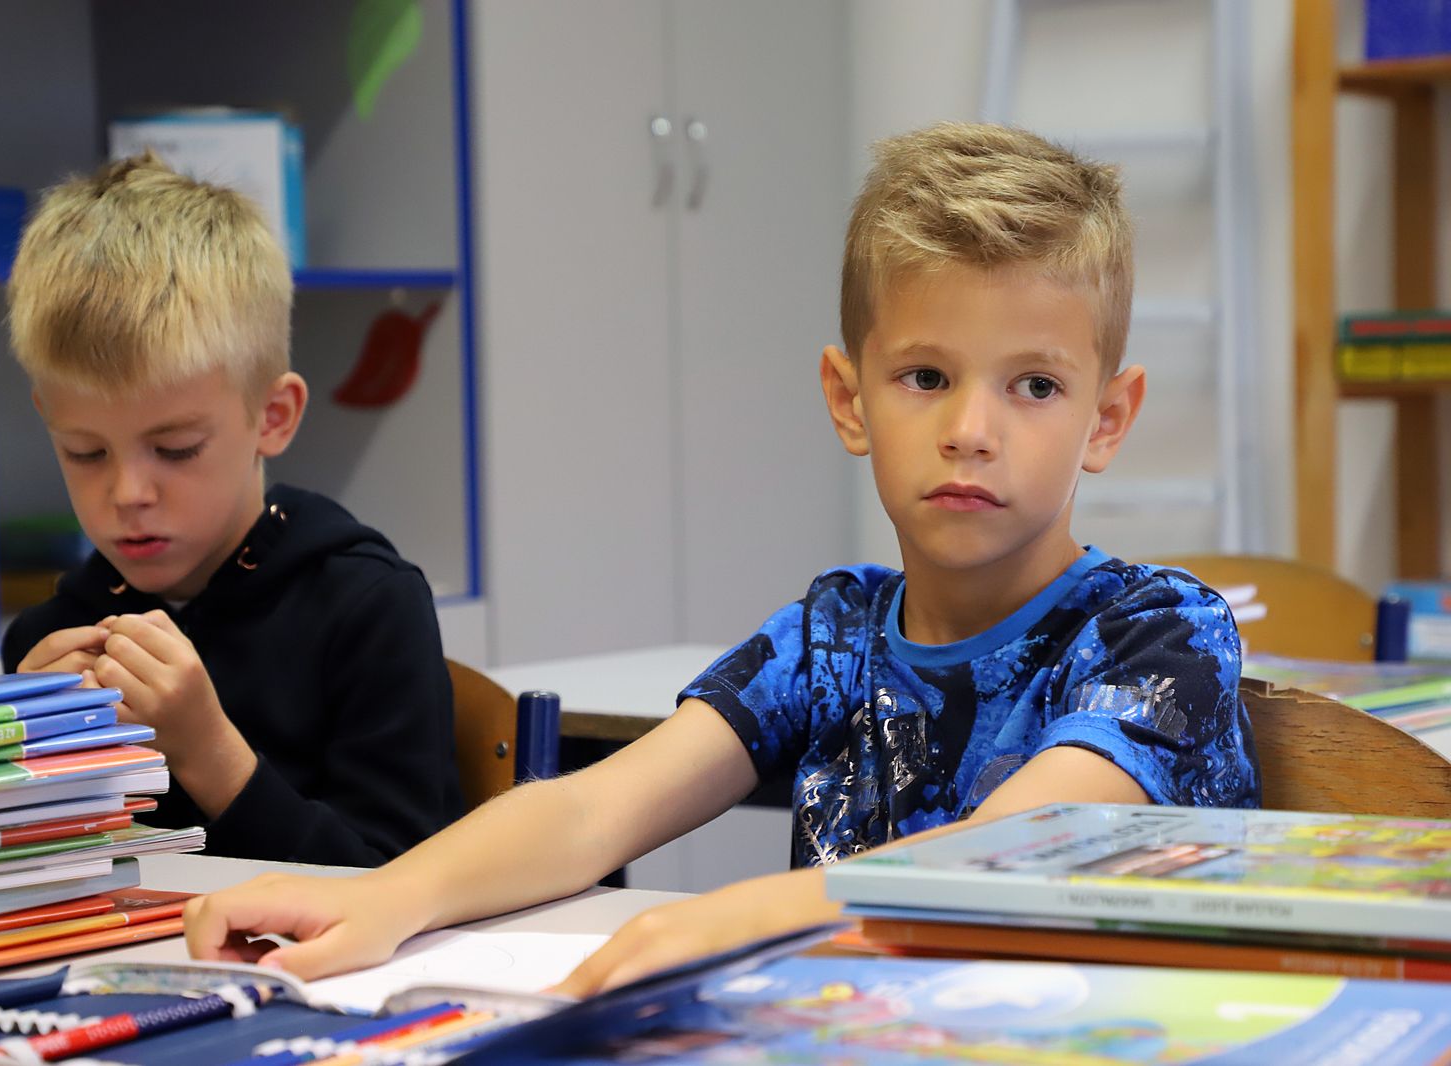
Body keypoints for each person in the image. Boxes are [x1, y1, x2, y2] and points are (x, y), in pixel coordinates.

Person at [183, 122, 1259, 991]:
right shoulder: (832, 635)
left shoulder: (1161, 635)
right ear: (849, 399)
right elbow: (593, 808)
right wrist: (387, 897)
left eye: (1035, 386)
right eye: (926, 377)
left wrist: (736, 917)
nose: (972, 429)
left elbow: (1006, 856)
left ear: (1107, 420)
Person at [1, 152, 461, 867]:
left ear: (273, 416)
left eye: (176, 448)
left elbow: (401, 884)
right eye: (85, 452)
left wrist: (205, 750)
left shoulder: (367, 607)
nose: (128, 492)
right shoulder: (52, 638)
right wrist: (19, 768)